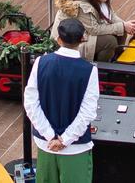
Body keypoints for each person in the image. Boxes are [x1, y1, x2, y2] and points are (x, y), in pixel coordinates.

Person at [23, 18, 99, 183]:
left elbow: (30, 104)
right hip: (75, 149)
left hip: (46, 145)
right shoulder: (89, 71)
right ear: (82, 39)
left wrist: (50, 136)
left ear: (58, 39)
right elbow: (87, 113)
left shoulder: (40, 62)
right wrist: (65, 140)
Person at [51, 0, 135, 62]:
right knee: (110, 41)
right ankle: (100, 67)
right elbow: (95, 29)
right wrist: (122, 26)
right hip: (68, 40)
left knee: (121, 31)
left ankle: (116, 59)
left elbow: (111, 15)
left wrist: (126, 25)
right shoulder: (81, 6)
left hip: (85, 30)